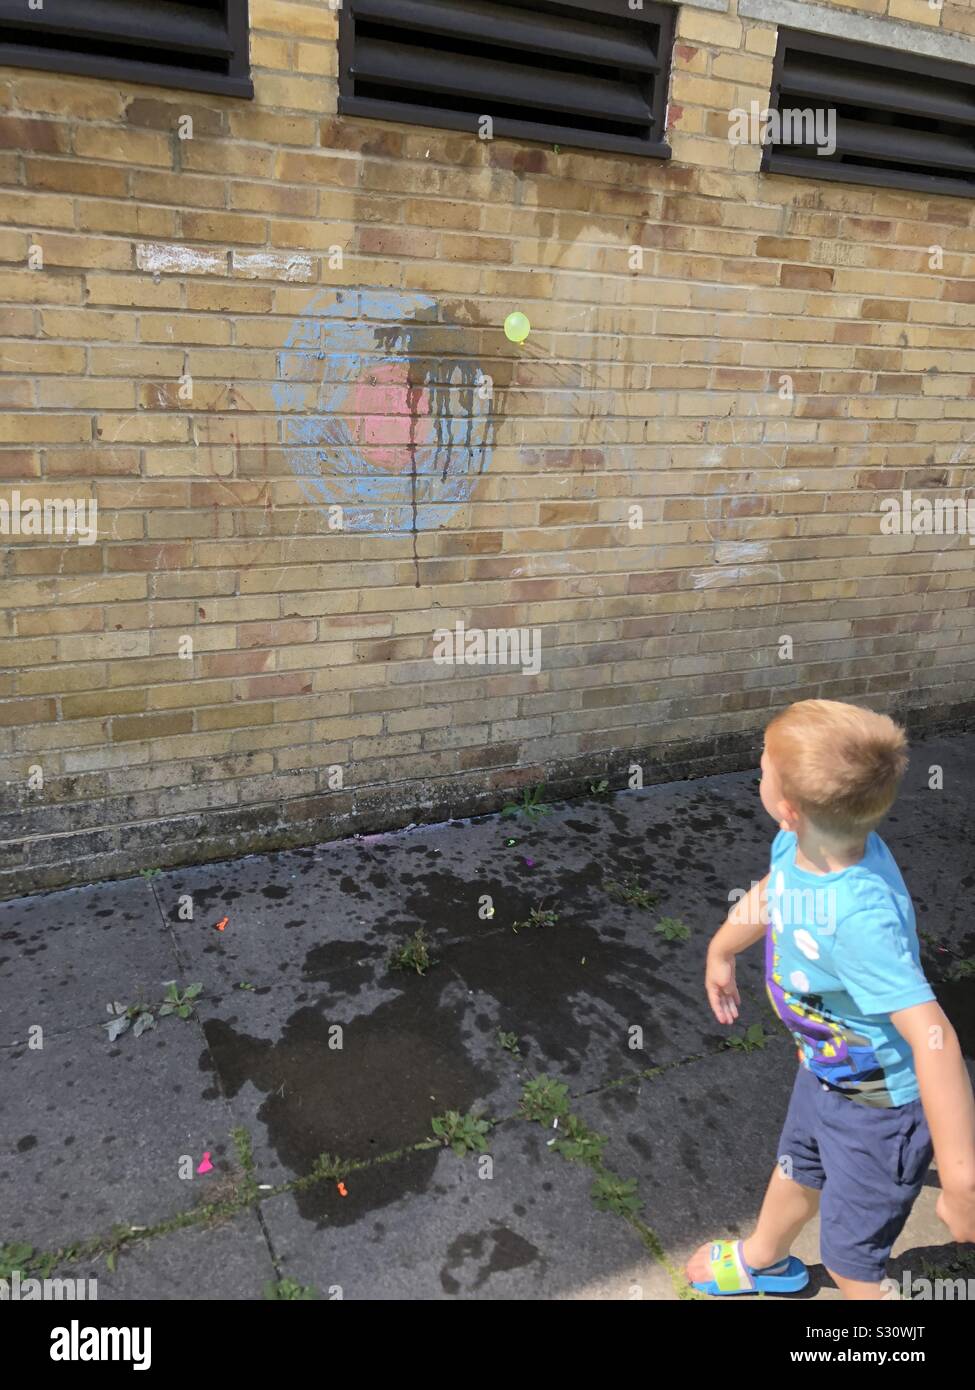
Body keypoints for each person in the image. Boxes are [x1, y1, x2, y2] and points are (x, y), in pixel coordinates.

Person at [686, 699, 975, 1298]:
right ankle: (763, 1260)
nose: (757, 773)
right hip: (826, 1073)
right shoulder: (805, 847)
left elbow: (935, 1038)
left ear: (787, 807)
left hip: (882, 1111)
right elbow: (776, 893)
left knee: (850, 1260)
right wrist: (722, 948)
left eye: (762, 768)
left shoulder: (859, 919)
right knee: (798, 1167)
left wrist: (962, 1180)